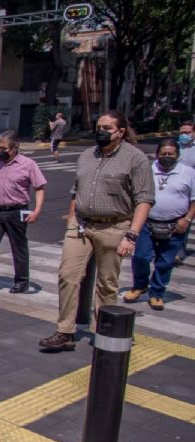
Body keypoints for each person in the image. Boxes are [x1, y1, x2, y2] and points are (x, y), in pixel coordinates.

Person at [38, 111, 154, 352]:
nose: (100, 131)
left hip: (115, 225)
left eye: (107, 128)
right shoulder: (86, 156)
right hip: (81, 224)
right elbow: (75, 191)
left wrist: (132, 235)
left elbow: (144, 199)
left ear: (120, 132)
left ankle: (104, 329)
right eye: (98, 126)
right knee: (68, 276)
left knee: (106, 283)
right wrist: (71, 221)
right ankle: (65, 331)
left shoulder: (136, 159)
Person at [123, 138, 195, 310]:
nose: (167, 157)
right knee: (141, 256)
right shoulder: (147, 170)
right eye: (163, 154)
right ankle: (140, 285)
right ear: (157, 155)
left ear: (177, 155)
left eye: (171, 154)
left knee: (165, 261)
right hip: (147, 223)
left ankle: (157, 293)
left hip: (175, 225)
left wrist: (187, 219)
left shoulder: (189, 172)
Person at [0, 130, 47, 294]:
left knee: (18, 247)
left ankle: (22, 281)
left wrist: (36, 211)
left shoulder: (28, 164)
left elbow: (39, 187)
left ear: (15, 147)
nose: (0, 151)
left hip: (17, 211)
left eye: (4, 149)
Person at [177, 120, 194, 266]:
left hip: (191, 189)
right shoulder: (174, 147)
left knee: (186, 219)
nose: (184, 135)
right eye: (182, 132)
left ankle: (179, 252)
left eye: (187, 133)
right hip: (175, 187)